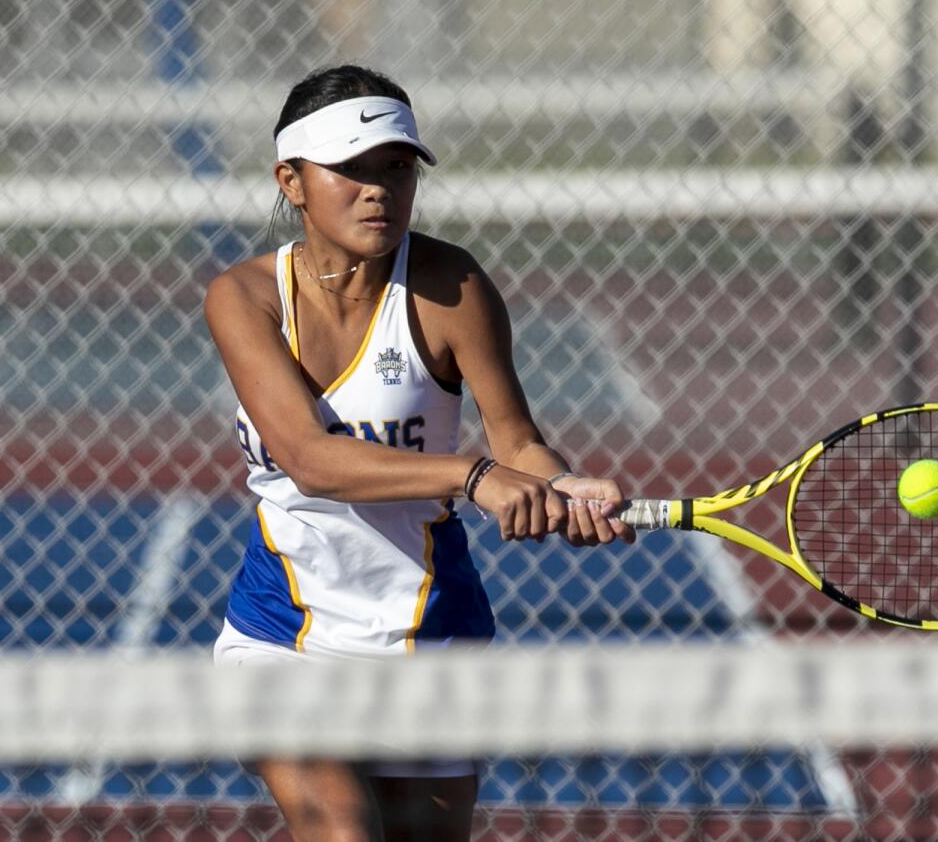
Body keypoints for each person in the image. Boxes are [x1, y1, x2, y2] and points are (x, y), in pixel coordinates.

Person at [204, 64, 635, 842]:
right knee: (341, 827)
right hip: (285, 635)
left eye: (397, 168)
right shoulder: (244, 297)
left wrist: (563, 484)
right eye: (354, 169)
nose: (380, 189)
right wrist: (473, 476)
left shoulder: (452, 285)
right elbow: (310, 458)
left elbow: (518, 441)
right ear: (291, 181)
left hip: (430, 640)